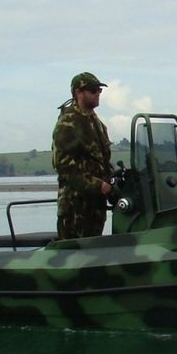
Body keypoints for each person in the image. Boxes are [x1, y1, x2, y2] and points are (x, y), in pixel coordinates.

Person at [52, 71, 113, 239]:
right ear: (79, 92)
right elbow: (63, 166)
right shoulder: (69, 122)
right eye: (93, 90)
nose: (98, 94)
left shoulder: (95, 122)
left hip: (95, 205)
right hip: (75, 206)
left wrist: (111, 182)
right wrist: (96, 185)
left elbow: (102, 159)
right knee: (75, 252)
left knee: (94, 248)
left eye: (99, 91)